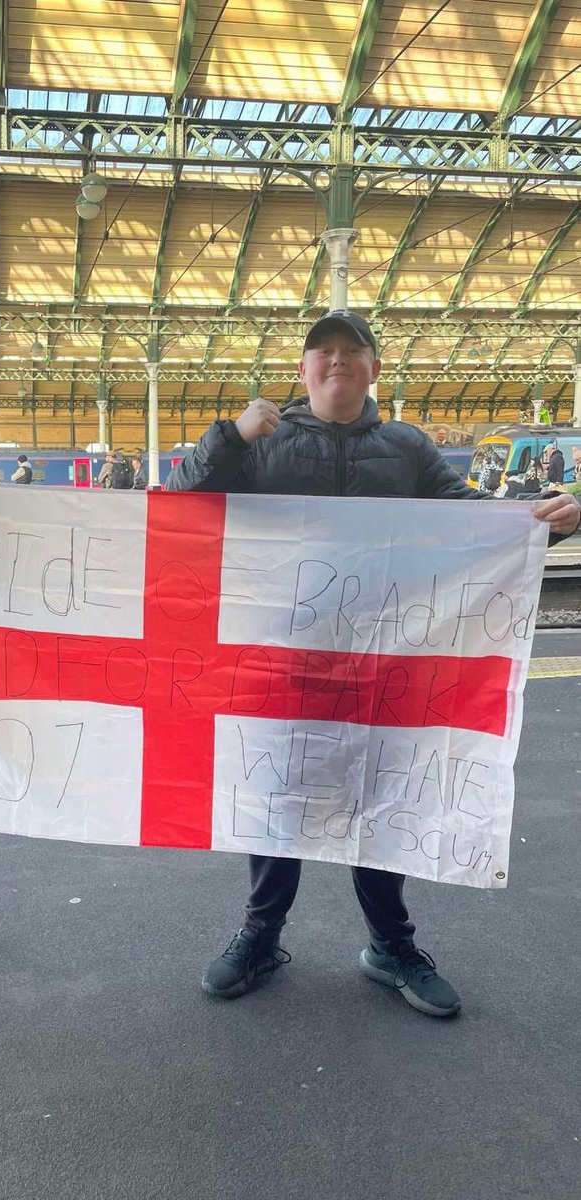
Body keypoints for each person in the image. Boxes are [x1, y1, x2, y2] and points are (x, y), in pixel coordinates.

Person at [167, 309, 580, 1018]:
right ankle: (261, 935)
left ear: (373, 368)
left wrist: (545, 520)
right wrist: (231, 434)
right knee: (278, 803)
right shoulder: (261, 443)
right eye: (322, 351)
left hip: (386, 660)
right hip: (286, 659)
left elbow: (471, 523)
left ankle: (391, 946)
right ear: (303, 369)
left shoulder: (407, 446)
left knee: (384, 799)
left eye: (351, 350)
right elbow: (179, 503)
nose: (336, 360)